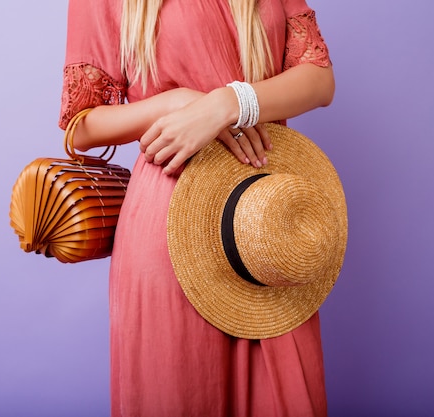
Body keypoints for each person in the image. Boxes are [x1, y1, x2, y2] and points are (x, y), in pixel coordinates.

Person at [59, 0, 335, 415]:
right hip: (170, 222)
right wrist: (176, 103)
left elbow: (319, 81)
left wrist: (228, 103)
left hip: (271, 216)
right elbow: (81, 127)